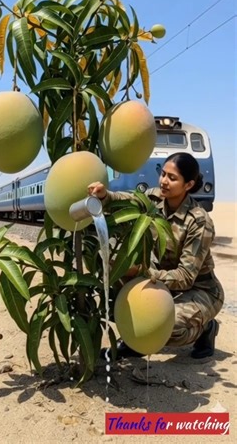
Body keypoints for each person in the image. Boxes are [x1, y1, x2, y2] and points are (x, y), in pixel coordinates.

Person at [88, 152, 224, 360]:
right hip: (162, 283)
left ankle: (206, 327)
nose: (164, 181)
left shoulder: (198, 221)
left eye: (172, 178)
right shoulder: (154, 199)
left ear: (188, 185)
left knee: (167, 328)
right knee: (121, 302)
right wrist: (105, 195)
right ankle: (134, 342)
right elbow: (129, 199)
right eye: (163, 174)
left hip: (200, 289)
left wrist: (144, 272)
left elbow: (186, 276)